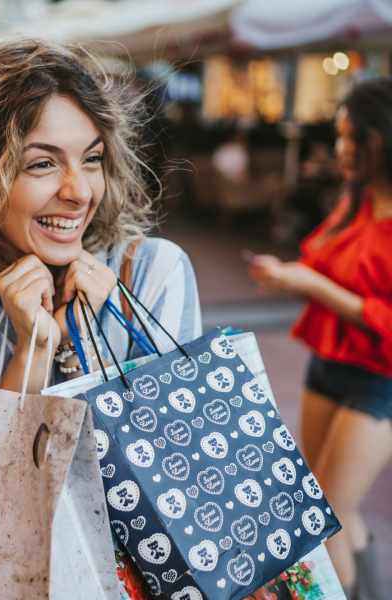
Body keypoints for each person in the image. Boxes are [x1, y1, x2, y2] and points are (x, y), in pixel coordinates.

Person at [0, 39, 201, 598]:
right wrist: (32, 354)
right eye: (42, 164)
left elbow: (185, 479)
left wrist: (96, 350)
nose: (78, 192)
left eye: (91, 159)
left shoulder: (150, 276)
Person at [248, 78, 392, 600]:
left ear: (384, 138)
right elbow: (327, 268)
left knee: (323, 519)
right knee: (334, 508)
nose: (341, 148)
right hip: (328, 365)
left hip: (380, 383)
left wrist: (315, 287)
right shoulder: (354, 203)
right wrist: (288, 275)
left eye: (353, 137)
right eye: (341, 135)